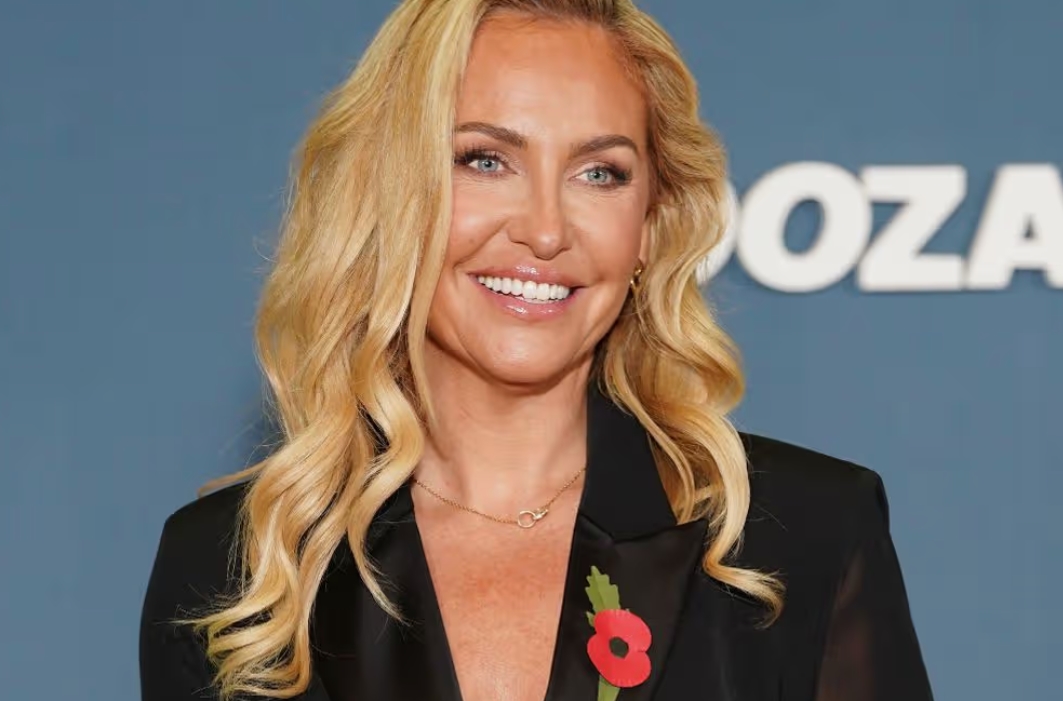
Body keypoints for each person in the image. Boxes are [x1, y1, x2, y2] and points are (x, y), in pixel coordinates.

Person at [139, 1, 934, 699]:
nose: (546, 230)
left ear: (649, 225)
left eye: (599, 173)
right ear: (389, 193)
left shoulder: (805, 534)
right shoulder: (236, 572)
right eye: (485, 160)